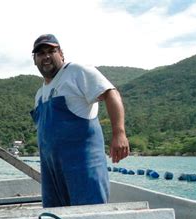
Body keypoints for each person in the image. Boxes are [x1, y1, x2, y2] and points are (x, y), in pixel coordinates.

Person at [30, 34, 129, 207]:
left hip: (84, 170)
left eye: (51, 51)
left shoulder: (76, 72)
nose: (46, 57)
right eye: (40, 53)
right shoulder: (40, 94)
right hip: (52, 175)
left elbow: (110, 93)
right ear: (34, 60)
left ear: (61, 53)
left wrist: (119, 133)